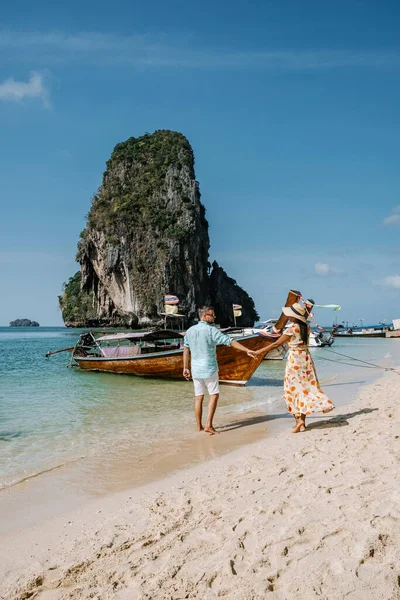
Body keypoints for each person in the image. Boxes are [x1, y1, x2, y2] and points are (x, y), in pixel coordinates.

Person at [254, 302, 335, 433]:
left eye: (290, 315)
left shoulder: (291, 329)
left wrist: (259, 352)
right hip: (306, 359)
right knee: (305, 389)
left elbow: (276, 344)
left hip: (295, 361)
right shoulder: (306, 327)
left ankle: (299, 422)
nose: (288, 317)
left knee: (291, 390)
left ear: (294, 316)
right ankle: (302, 423)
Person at [183, 306, 257, 435]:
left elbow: (186, 349)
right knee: (214, 395)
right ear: (204, 316)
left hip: (196, 370)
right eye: (212, 315)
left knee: (198, 397)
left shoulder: (190, 331)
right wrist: (246, 350)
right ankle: (209, 425)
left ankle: (199, 427)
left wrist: (185, 367)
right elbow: (229, 341)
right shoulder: (211, 330)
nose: (214, 317)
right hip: (209, 368)